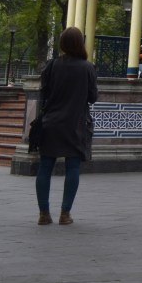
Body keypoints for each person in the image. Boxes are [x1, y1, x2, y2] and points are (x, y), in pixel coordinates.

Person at [34, 26, 99, 226]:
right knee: (72, 167)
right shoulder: (87, 67)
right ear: (81, 44)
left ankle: (44, 214)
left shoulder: (51, 66)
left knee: (45, 166)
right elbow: (93, 97)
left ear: (62, 43)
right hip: (75, 124)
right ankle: (65, 213)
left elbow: (43, 94)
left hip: (51, 123)